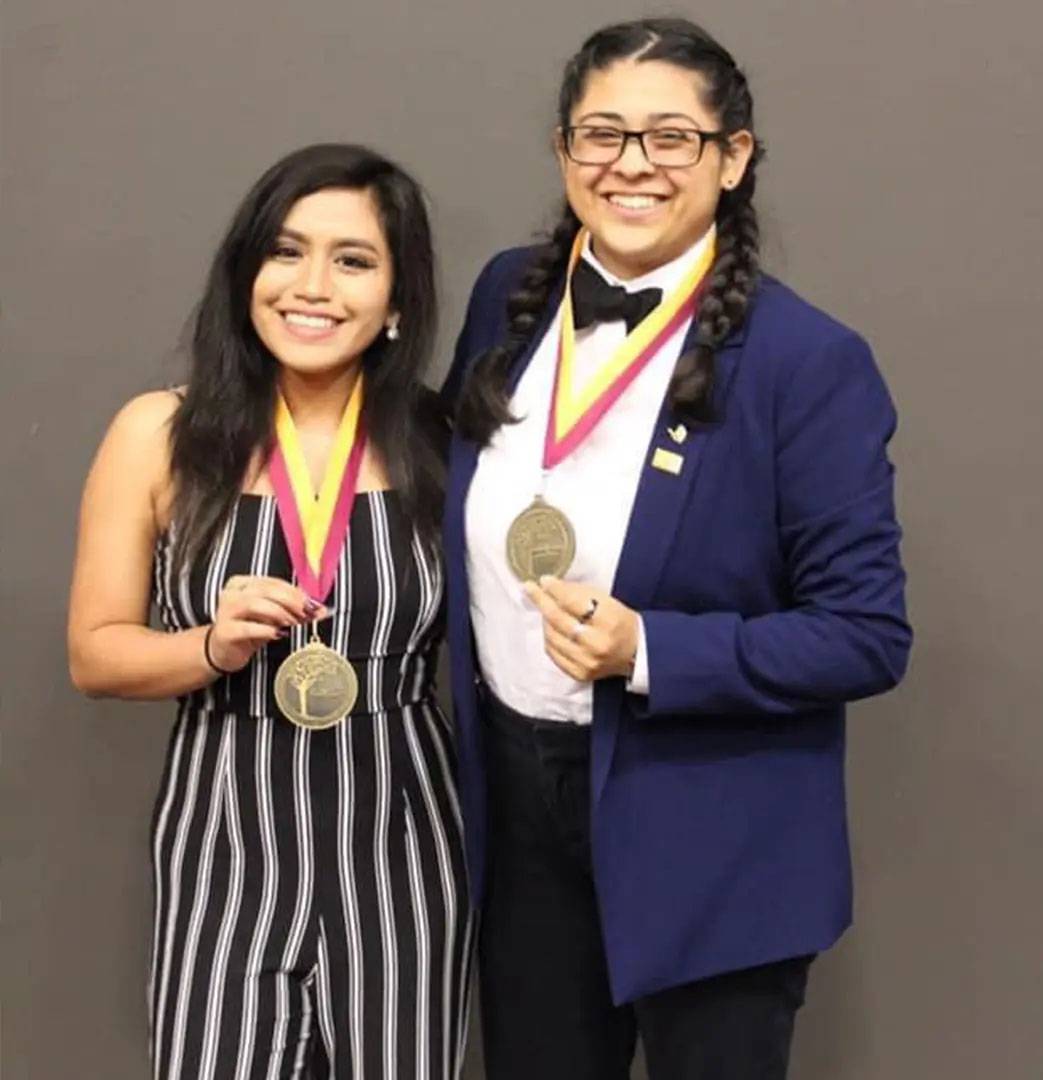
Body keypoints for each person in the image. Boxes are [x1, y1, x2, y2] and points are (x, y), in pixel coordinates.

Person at [441, 18, 911, 1080]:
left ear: (732, 157)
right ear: (564, 152)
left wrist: (648, 651)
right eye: (603, 134)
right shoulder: (505, 296)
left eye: (671, 137)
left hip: (711, 825)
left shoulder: (808, 362)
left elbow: (866, 635)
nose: (632, 165)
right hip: (516, 814)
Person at [68, 144, 471, 1080]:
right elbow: (95, 653)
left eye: (354, 260)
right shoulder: (157, 435)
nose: (313, 286)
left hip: (402, 842)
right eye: (286, 252)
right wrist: (209, 644)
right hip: (224, 841)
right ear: (247, 272)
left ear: (398, 299)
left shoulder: (446, 441)